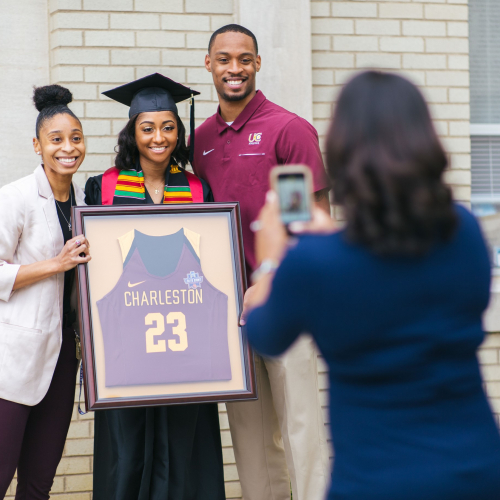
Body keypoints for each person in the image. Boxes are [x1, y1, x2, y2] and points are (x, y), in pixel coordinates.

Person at [244, 71, 500, 500]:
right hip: (476, 470)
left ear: (342, 154)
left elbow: (265, 334)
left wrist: (270, 261)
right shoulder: (465, 233)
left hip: (375, 480)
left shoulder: (315, 263)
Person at [193, 24, 331, 500]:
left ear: (257, 64)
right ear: (208, 64)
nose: (235, 68)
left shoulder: (286, 130)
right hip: (230, 313)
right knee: (250, 439)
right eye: (224, 59)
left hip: (285, 302)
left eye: (244, 59)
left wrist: (272, 280)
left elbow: (309, 224)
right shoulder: (201, 140)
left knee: (301, 429)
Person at [84, 73, 225, 500]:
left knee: (184, 440)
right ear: (133, 132)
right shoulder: (104, 187)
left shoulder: (197, 189)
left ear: (179, 132)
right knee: (128, 445)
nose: (158, 138)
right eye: (148, 128)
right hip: (126, 346)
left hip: (185, 344)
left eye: (168, 127)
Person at [0, 85, 90, 499]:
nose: (67, 148)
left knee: (39, 482)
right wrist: (56, 263)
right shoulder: (16, 198)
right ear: (37, 145)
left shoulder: (84, 202)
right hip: (15, 360)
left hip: (63, 357)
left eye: (76, 138)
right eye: (56, 139)